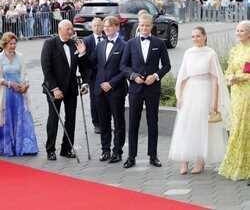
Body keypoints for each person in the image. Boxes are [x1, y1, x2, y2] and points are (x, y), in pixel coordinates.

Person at [168, 26, 230, 175]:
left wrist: (215, 102)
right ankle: (184, 161)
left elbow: (215, 79)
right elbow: (183, 77)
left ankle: (200, 161)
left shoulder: (211, 54)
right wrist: (180, 97)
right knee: (186, 125)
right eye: (193, 37)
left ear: (204, 36)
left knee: (201, 126)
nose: (195, 39)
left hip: (205, 91)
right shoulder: (188, 53)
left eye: (198, 36)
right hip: (190, 91)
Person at [120, 13, 171, 168]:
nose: (144, 28)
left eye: (147, 25)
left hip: (152, 89)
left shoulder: (159, 43)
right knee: (133, 123)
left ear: (152, 26)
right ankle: (131, 156)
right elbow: (123, 65)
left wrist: (155, 76)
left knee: (152, 123)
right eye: (142, 25)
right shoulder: (130, 43)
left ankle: (153, 155)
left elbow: (166, 65)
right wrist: (133, 76)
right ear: (138, 25)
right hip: (135, 89)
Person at [41, 19, 87, 161]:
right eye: (68, 29)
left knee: (71, 118)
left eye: (71, 29)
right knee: (54, 118)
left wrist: (82, 54)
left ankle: (67, 148)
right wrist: (54, 88)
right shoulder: (49, 44)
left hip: (71, 87)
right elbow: (46, 68)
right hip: (55, 88)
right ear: (60, 29)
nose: (70, 31)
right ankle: (50, 150)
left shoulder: (75, 44)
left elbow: (83, 66)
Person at [84, 16, 127, 163]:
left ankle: (117, 151)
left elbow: (125, 69)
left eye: (109, 26)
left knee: (118, 122)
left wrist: (112, 83)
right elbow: (92, 64)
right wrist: (83, 54)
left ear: (117, 27)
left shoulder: (124, 45)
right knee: (104, 122)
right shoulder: (100, 45)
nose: (106, 28)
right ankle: (105, 150)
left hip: (116, 89)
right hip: (100, 90)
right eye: (105, 26)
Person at [219, 20, 250, 183]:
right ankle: (236, 163)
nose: (238, 33)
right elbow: (228, 70)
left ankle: (247, 166)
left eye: (242, 31)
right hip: (236, 93)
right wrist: (229, 78)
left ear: (249, 33)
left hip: (248, 92)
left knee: (246, 126)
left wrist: (240, 77)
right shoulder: (235, 50)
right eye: (237, 30)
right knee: (236, 126)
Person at [0, 32, 38, 156]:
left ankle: (22, 146)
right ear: (5, 44)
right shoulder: (0, 58)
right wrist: (10, 84)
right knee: (7, 118)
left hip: (19, 92)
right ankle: (8, 146)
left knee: (20, 117)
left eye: (15, 43)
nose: (13, 46)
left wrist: (26, 84)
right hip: (7, 92)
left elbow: (24, 73)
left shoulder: (20, 56)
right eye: (10, 44)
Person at [83, 17, 106, 134]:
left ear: (102, 26)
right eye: (94, 26)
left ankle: (105, 122)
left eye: (99, 25)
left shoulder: (107, 39)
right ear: (91, 27)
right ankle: (96, 123)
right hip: (93, 74)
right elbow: (84, 61)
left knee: (105, 99)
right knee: (95, 99)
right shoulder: (87, 40)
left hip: (106, 74)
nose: (97, 28)